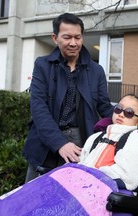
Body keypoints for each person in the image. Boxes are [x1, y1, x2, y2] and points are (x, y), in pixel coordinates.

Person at [0, 94, 138, 216]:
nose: (121, 114)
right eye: (118, 108)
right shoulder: (96, 137)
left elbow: (129, 178)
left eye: (129, 112)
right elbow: (80, 165)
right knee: (27, 198)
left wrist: (84, 177)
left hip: (102, 190)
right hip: (79, 184)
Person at [23, 12, 114, 183]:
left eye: (77, 37)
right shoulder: (42, 65)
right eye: (67, 37)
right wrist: (60, 143)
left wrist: (131, 117)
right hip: (46, 142)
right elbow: (38, 108)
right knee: (33, 199)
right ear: (55, 38)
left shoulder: (96, 71)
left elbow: (104, 107)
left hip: (81, 143)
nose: (73, 43)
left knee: (72, 197)